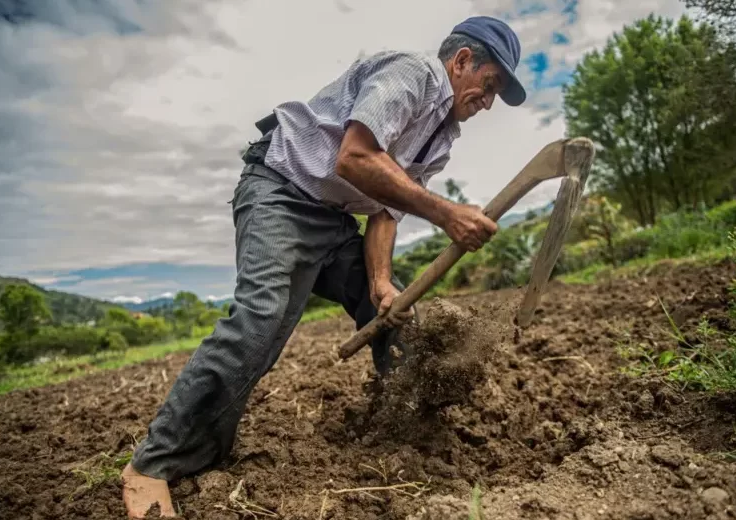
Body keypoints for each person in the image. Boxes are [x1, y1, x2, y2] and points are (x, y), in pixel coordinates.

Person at [121, 15, 527, 518]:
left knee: (400, 315)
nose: (487, 103)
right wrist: (447, 214)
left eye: (495, 96)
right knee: (261, 321)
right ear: (463, 61)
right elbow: (354, 158)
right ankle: (152, 464)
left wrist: (380, 283)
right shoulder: (412, 74)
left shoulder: (441, 139)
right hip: (281, 193)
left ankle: (406, 426)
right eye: (489, 86)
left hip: (332, 219)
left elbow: (385, 209)